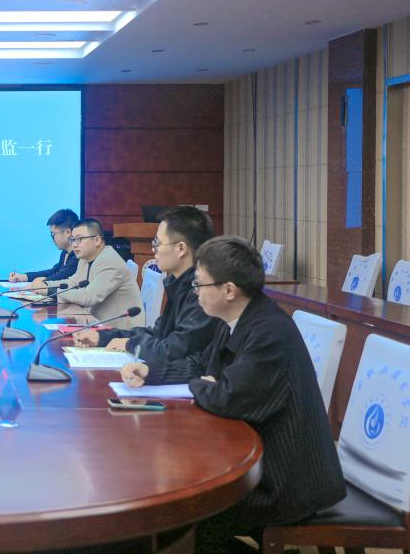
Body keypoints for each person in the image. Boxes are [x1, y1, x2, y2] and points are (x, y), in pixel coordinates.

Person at [120, 236, 345, 552]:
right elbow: (202, 366)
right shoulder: (237, 316)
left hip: (280, 481)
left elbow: (227, 398)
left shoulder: (269, 332)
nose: (195, 292)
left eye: (199, 285)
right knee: (165, 514)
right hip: (256, 463)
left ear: (228, 290)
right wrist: (152, 372)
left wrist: (204, 384)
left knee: (174, 516)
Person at [74, 206, 220, 365]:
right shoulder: (179, 285)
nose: (153, 249)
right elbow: (158, 333)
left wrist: (129, 344)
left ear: (180, 248)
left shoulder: (202, 292)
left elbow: (174, 351)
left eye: (158, 243)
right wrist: (103, 337)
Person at [44, 218, 144, 329]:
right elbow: (73, 283)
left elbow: (89, 296)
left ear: (97, 240)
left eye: (79, 239)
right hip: (97, 324)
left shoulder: (109, 262)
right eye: (72, 240)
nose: (74, 245)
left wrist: (52, 291)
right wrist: (46, 285)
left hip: (121, 333)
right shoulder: (85, 258)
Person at [8, 208, 80, 283]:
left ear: (68, 232)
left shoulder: (77, 254)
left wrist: (42, 282)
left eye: (53, 234)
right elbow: (53, 271)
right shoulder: (65, 252)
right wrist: (24, 277)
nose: (52, 239)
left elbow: (61, 276)